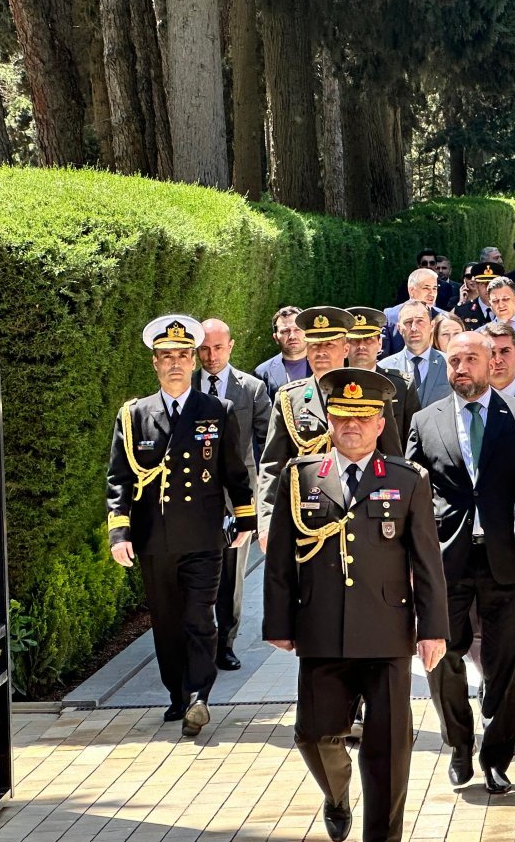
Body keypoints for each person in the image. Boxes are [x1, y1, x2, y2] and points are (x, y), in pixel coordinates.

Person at [262, 368, 448, 842]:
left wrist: (432, 630)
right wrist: (278, 621)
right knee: (313, 735)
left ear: (379, 421)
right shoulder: (301, 477)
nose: (352, 426)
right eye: (343, 416)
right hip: (320, 627)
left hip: (387, 631)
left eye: (363, 417)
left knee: (388, 745)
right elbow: (280, 559)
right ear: (329, 418)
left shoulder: (407, 479)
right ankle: (338, 793)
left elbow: (426, 564)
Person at [107, 316, 255, 736]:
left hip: (203, 535)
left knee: (199, 618)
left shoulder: (217, 410)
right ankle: (177, 695)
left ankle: (199, 696)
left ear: (193, 361)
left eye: (183, 355)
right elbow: (119, 477)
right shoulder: (135, 415)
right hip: (155, 537)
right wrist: (120, 532)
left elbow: (233, 471)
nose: (175, 363)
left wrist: (245, 517)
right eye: (166, 356)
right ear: (155, 363)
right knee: (167, 621)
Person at [405, 331, 515, 794]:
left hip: (505, 560)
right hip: (447, 559)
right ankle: (459, 744)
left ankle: (496, 756)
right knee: (443, 655)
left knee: (506, 664)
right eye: (455, 360)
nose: (462, 368)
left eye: (472, 360)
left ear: (491, 364)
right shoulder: (425, 421)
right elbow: (410, 495)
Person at [257, 307, 404, 544]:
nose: (321, 352)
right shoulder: (289, 399)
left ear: (346, 348)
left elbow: (391, 457)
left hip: (364, 512)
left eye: (329, 345)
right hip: (307, 517)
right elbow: (273, 465)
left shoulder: (371, 394)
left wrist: (399, 518)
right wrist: (266, 521)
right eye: (315, 346)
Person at [197, 318, 272, 672]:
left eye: (217, 348)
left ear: (231, 346)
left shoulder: (253, 389)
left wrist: (261, 502)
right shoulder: (185, 387)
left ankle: (225, 643)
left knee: (231, 575)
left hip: (237, 495)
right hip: (193, 496)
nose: (210, 356)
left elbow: (267, 446)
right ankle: (196, 643)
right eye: (204, 349)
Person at [345, 307, 422, 444]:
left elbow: (413, 439)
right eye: (355, 340)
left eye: (368, 339)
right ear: (345, 345)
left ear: (379, 343)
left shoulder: (401, 385)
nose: (361, 346)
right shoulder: (334, 383)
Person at [383, 302, 451, 407]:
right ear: (399, 328)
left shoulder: (450, 364)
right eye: (408, 322)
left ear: (432, 326)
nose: (414, 328)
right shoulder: (384, 368)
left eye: (420, 321)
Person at [382, 269, 446, 357]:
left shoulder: (443, 317)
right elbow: (383, 354)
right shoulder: (391, 315)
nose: (432, 293)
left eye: (434, 288)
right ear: (411, 290)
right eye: (426, 288)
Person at [254, 306, 310, 397]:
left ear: (307, 333)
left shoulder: (325, 365)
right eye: (285, 331)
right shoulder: (262, 373)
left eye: (297, 330)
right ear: (276, 338)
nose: (292, 336)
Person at [454, 262, 500, 329]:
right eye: (484, 284)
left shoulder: (506, 309)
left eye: (492, 284)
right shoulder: (463, 311)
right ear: (477, 285)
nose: (488, 288)